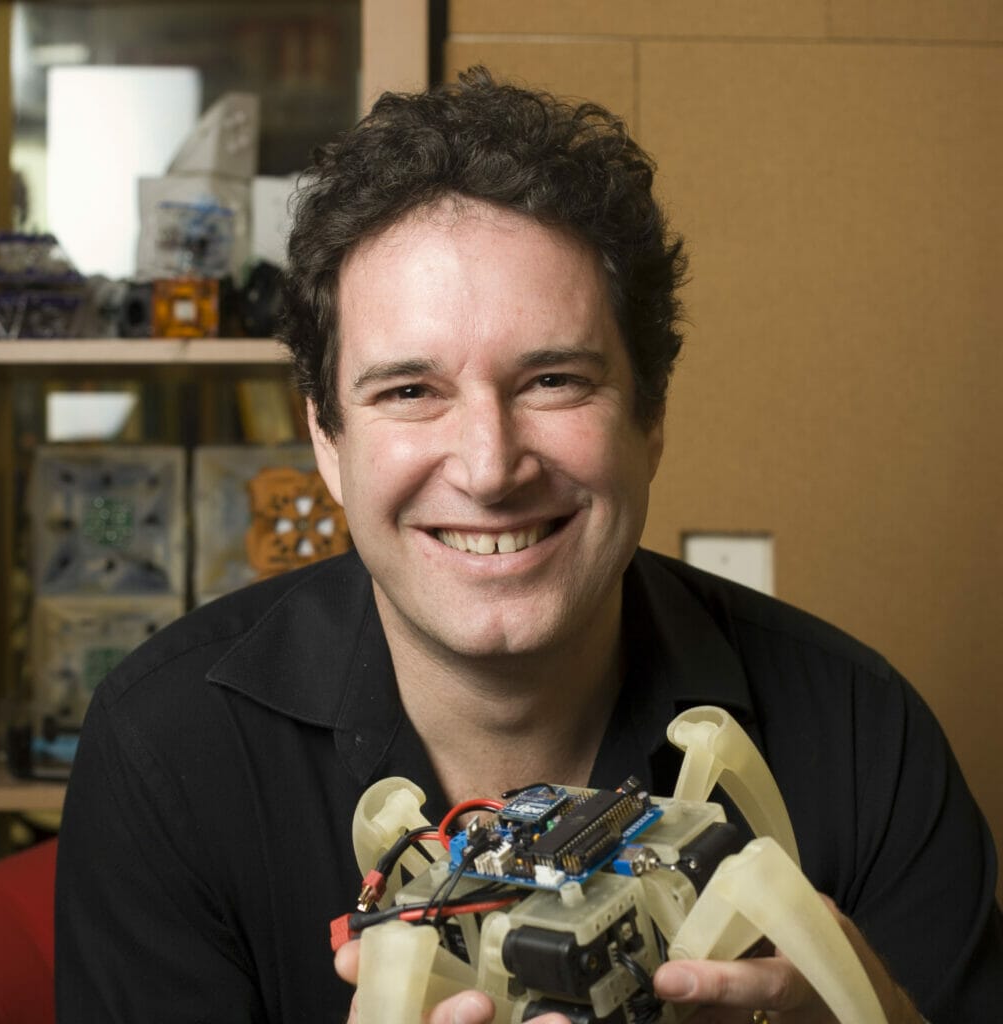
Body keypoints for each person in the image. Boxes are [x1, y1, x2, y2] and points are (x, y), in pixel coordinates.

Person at [55, 68, 1002, 1023]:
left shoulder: (861, 734)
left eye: (553, 379)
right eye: (409, 391)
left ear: (652, 419)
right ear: (327, 443)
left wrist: (877, 1010)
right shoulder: (164, 753)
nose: (490, 466)